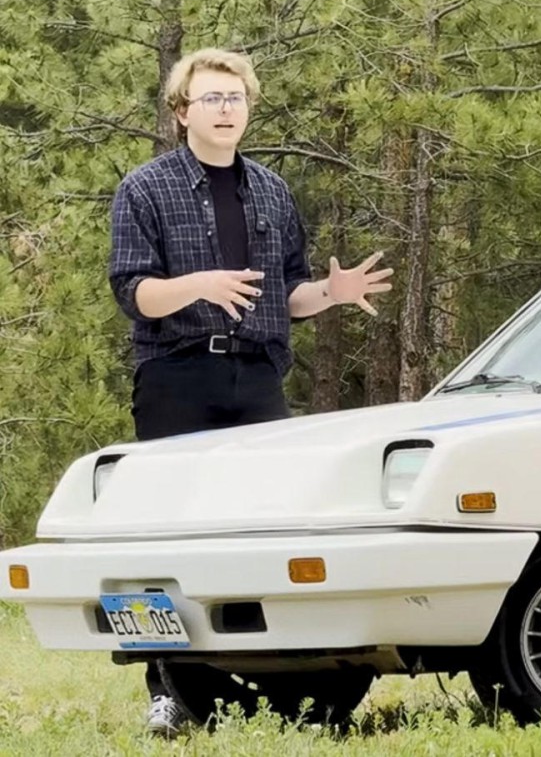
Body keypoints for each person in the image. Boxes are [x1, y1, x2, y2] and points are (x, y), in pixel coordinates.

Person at [107, 48, 393, 737]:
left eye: (236, 98)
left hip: (258, 379)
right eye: (212, 99)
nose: (227, 109)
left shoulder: (270, 190)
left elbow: (287, 293)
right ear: (182, 113)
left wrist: (332, 292)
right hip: (177, 375)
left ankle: (275, 684)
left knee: (266, 530)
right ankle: (169, 692)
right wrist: (200, 285)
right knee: (167, 540)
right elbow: (134, 292)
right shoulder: (145, 190)